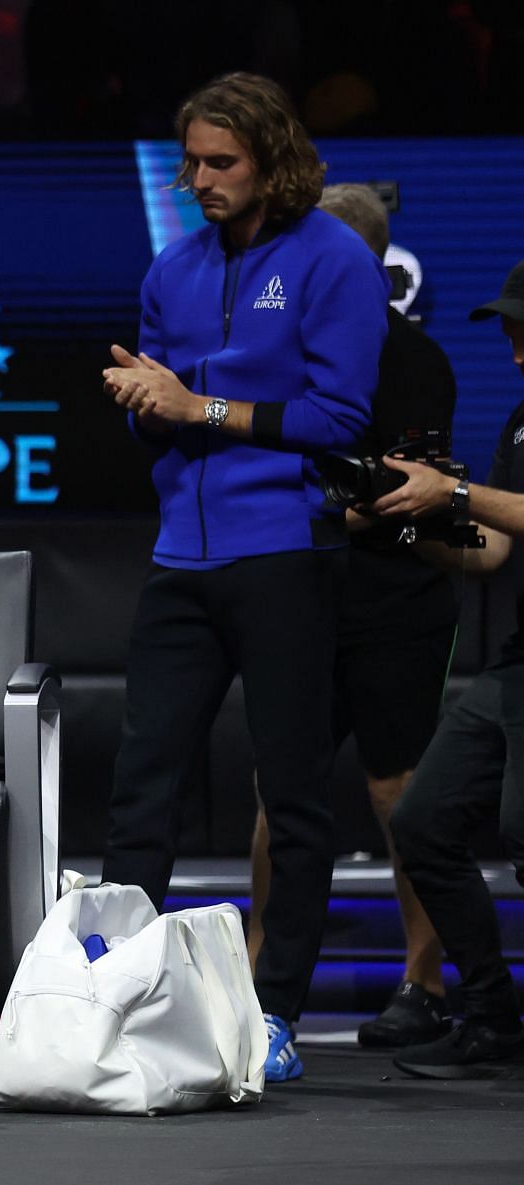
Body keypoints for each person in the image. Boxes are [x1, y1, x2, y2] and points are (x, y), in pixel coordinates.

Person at [99, 72, 384, 1082]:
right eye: (193, 163)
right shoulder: (172, 269)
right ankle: (115, 999)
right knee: (142, 790)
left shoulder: (334, 260)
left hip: (287, 551)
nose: (200, 180)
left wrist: (194, 407)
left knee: (293, 793)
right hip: (183, 556)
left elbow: (340, 420)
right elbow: (161, 408)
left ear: (271, 158)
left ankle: (277, 1012)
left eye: (221, 163)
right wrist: (143, 400)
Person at [246, 183, 456, 1050]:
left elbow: (404, 493)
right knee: (280, 787)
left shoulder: (416, 360)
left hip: (395, 598)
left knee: (396, 791)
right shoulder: (284, 344)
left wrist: (339, 503)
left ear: (362, 262)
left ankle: (424, 979)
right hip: (302, 590)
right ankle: (257, 981)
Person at [372, 259, 524, 1079]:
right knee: (424, 820)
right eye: (509, 333)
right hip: (515, 667)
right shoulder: (523, 421)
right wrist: (399, 516)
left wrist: (453, 494)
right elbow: (494, 549)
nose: (516, 352)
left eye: (523, 332)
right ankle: (494, 1015)